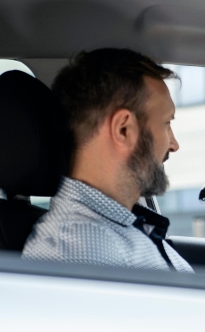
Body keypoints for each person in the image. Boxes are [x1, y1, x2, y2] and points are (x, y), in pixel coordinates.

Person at [22, 48, 193, 273]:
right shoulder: (76, 250)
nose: (174, 144)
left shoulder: (124, 226)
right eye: (166, 123)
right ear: (123, 129)